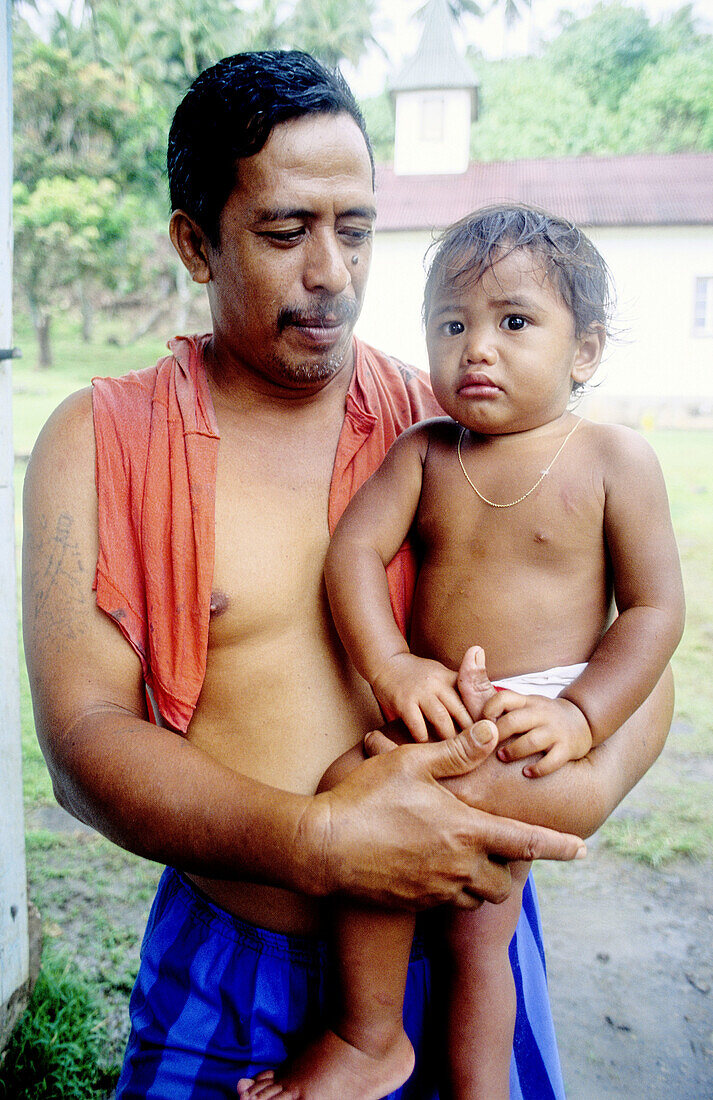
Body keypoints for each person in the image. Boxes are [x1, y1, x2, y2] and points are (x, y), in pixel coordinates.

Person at [21, 52, 673, 1100]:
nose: (332, 272)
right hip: (237, 965)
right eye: (285, 232)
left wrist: (577, 781)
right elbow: (85, 741)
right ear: (196, 242)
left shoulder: (449, 424)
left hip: (459, 944)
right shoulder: (104, 439)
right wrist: (321, 839)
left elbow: (632, 646)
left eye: (356, 228)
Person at [236, 204, 685, 1100]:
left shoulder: (611, 458)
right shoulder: (427, 452)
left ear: (584, 351)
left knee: (442, 889)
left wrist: (579, 714)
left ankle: (380, 1047)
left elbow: (654, 610)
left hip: (537, 722)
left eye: (513, 323)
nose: (476, 347)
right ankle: (398, 1050)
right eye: (452, 324)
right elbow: (353, 554)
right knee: (439, 889)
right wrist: (392, 666)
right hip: (436, 713)